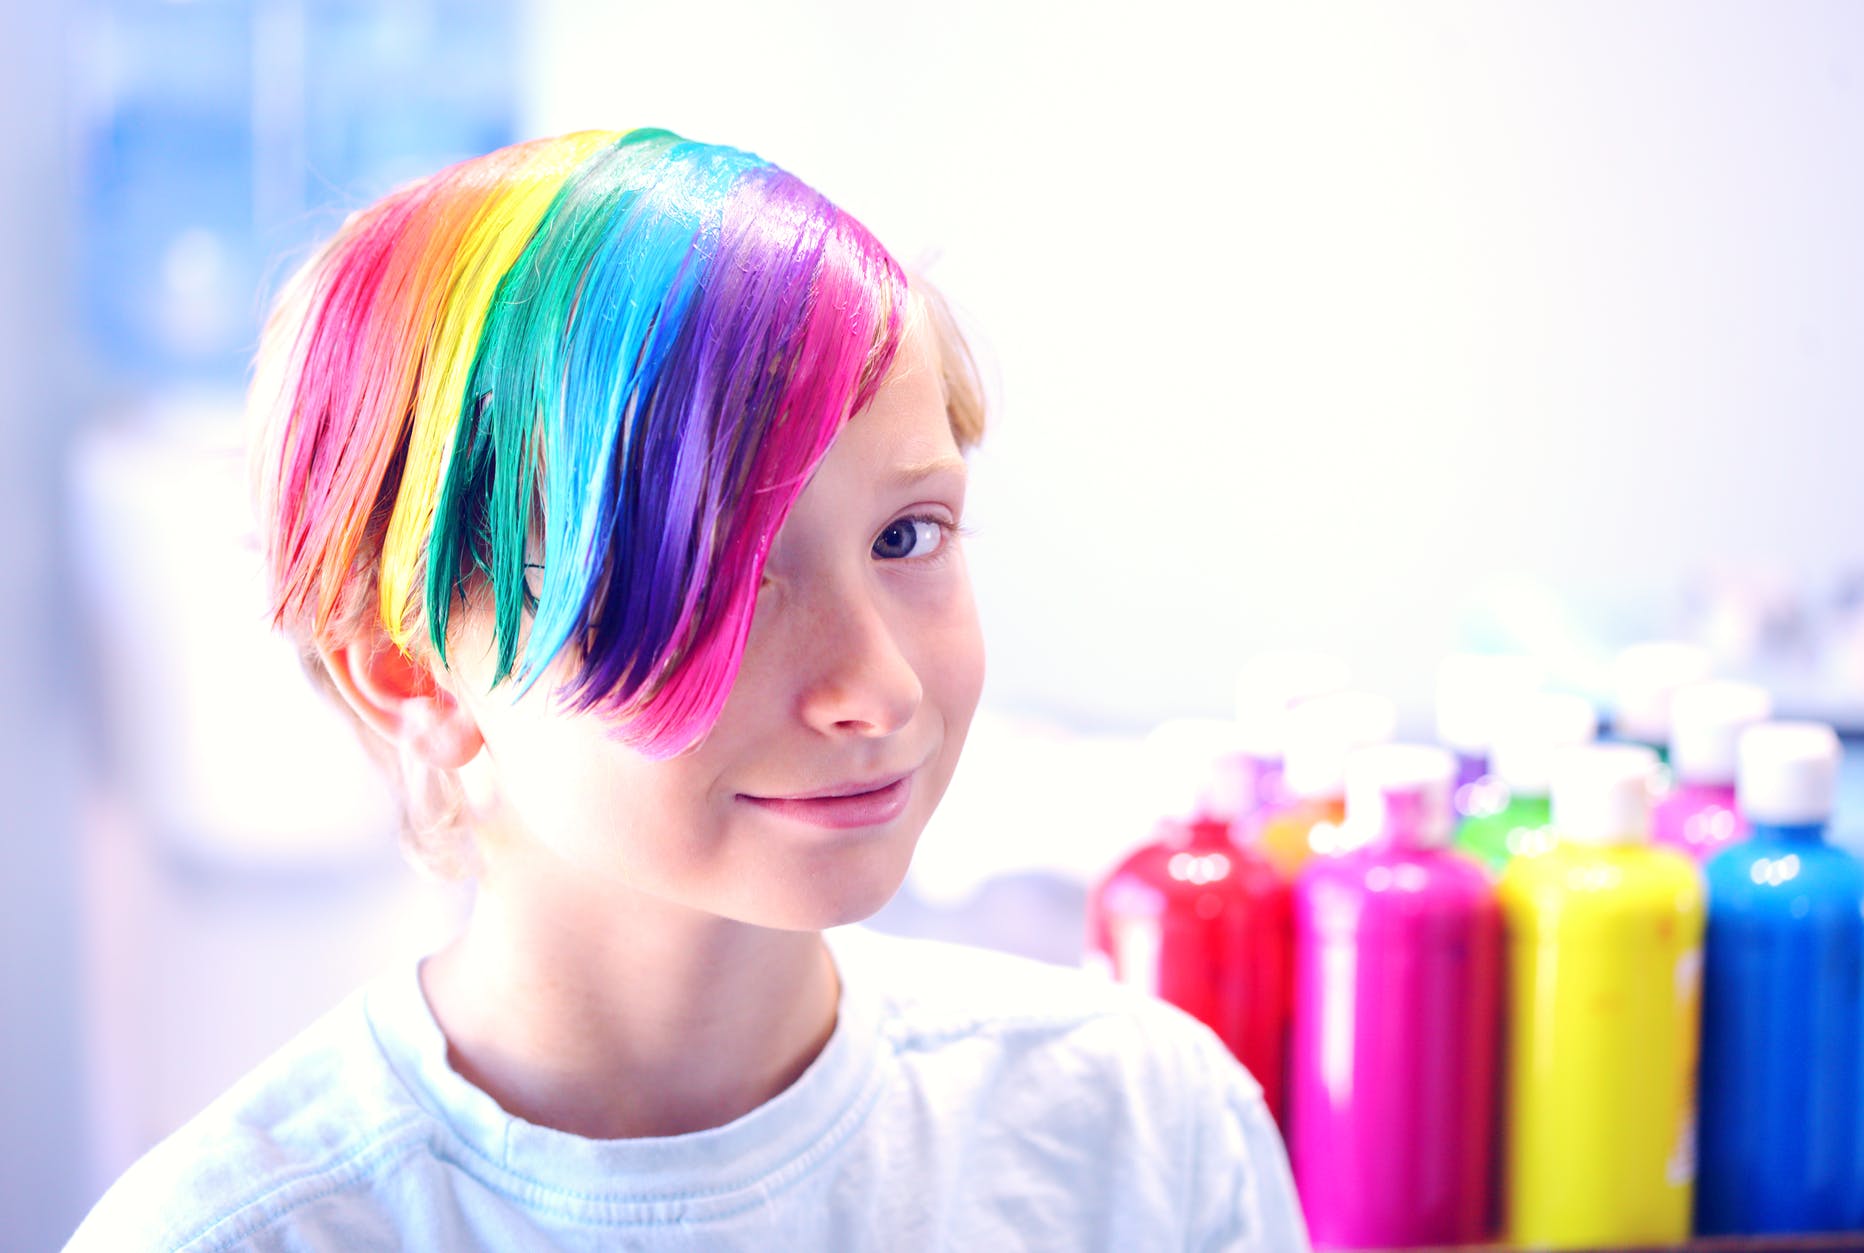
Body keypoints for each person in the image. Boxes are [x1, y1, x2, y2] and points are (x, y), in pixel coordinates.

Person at [68, 128, 1307, 1251]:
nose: (875, 688)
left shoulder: (1136, 1134)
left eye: (906, 536)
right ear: (415, 673)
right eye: (719, 572)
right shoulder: (233, 1234)